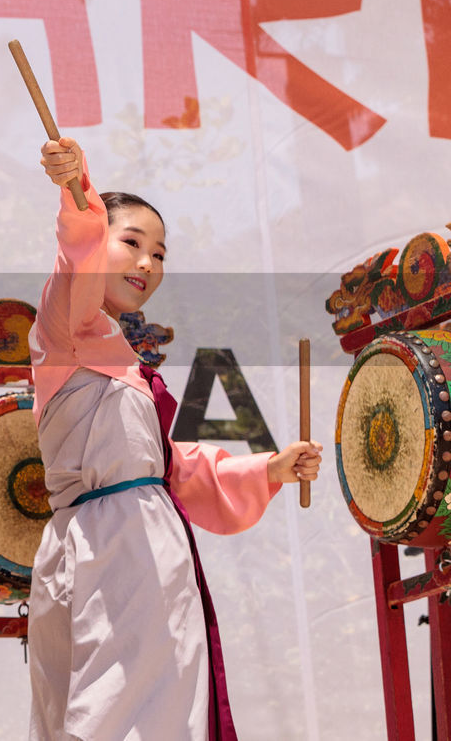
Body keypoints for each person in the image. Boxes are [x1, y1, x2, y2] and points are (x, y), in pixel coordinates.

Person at [26, 137, 322, 740]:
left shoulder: (128, 367)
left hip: (118, 541)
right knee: (107, 713)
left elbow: (173, 467)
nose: (147, 263)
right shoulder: (65, 329)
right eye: (130, 242)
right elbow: (76, 257)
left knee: (112, 714)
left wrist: (270, 469)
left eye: (160, 254)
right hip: (114, 545)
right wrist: (76, 188)